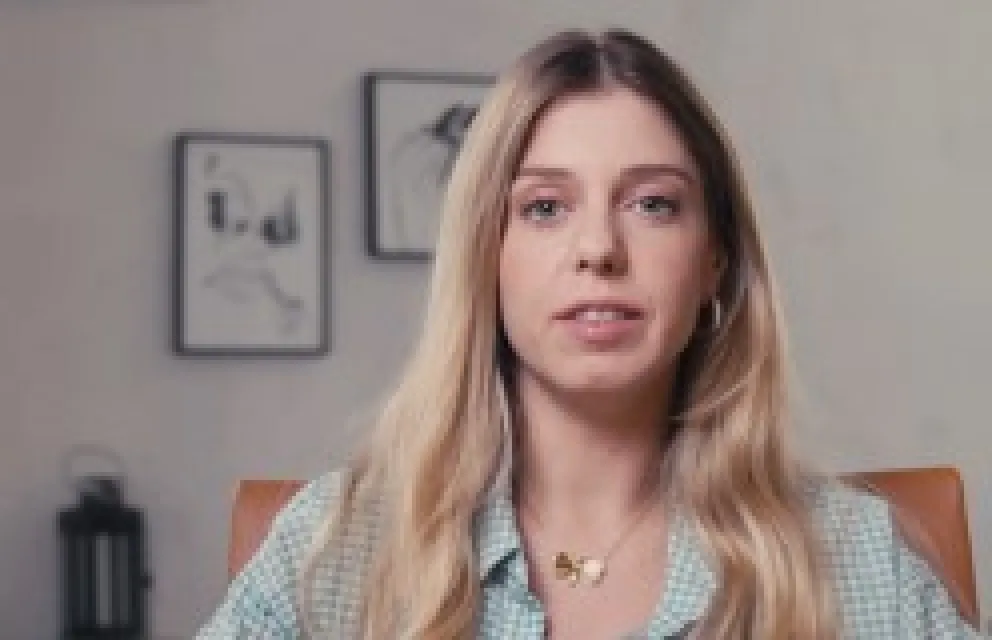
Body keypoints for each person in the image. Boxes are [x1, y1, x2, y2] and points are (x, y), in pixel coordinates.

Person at [195, 29, 982, 639]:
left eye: (653, 204)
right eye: (544, 207)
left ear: (714, 261)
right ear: (486, 259)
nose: (599, 249)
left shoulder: (853, 556)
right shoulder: (337, 553)